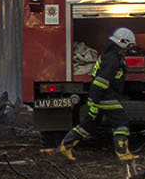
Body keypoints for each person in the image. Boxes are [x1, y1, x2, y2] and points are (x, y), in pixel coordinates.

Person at [57, 27, 138, 162]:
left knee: (89, 123)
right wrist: (94, 101)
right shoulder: (113, 60)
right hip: (107, 97)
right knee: (121, 122)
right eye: (129, 46)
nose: (129, 50)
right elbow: (100, 83)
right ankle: (123, 153)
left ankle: (65, 146)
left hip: (100, 96)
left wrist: (93, 102)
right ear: (122, 43)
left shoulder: (108, 56)